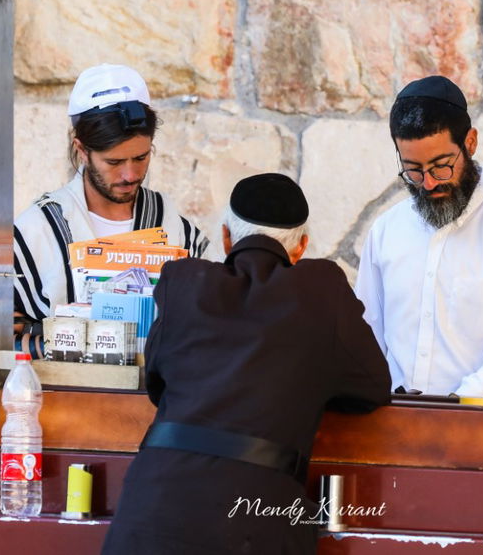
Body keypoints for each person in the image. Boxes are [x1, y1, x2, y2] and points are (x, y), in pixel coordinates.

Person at [102, 173, 391, 555]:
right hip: (254, 521)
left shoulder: (183, 281)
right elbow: (373, 386)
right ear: (300, 247)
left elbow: (157, 382)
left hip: (153, 507)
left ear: (226, 237)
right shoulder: (322, 292)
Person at [355, 75, 483, 400]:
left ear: (471, 143)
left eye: (441, 166)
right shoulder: (385, 231)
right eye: (413, 170)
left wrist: (449, 412)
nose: (429, 183)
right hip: (393, 421)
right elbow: (367, 339)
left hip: (479, 425)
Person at [13, 63, 210, 355]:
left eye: (141, 158)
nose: (130, 175)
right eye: (114, 162)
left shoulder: (174, 229)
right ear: (82, 150)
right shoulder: (36, 231)